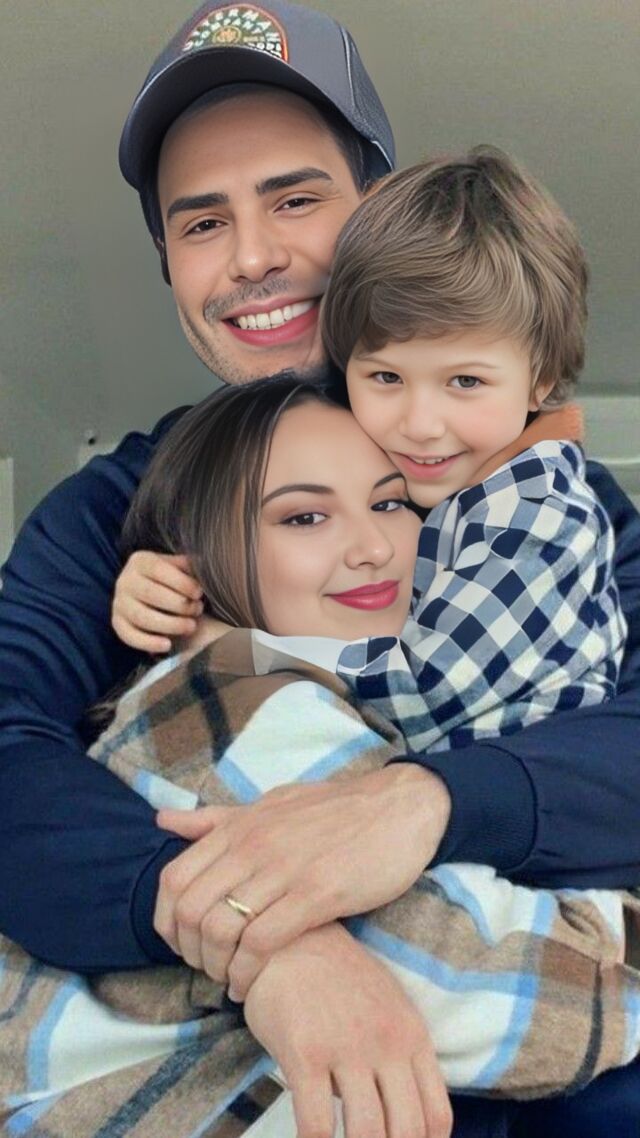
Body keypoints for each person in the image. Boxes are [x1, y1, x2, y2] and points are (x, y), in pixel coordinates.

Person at [0, 1, 638, 1133]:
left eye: (295, 199)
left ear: (377, 216)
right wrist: (265, 940)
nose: (253, 256)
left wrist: (426, 804)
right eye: (203, 223)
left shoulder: (534, 483)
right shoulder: (109, 510)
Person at [4, 376, 636, 1138]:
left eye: (392, 503)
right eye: (304, 517)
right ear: (193, 572)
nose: (373, 547)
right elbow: (517, 1008)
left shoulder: (323, 690)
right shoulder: (246, 701)